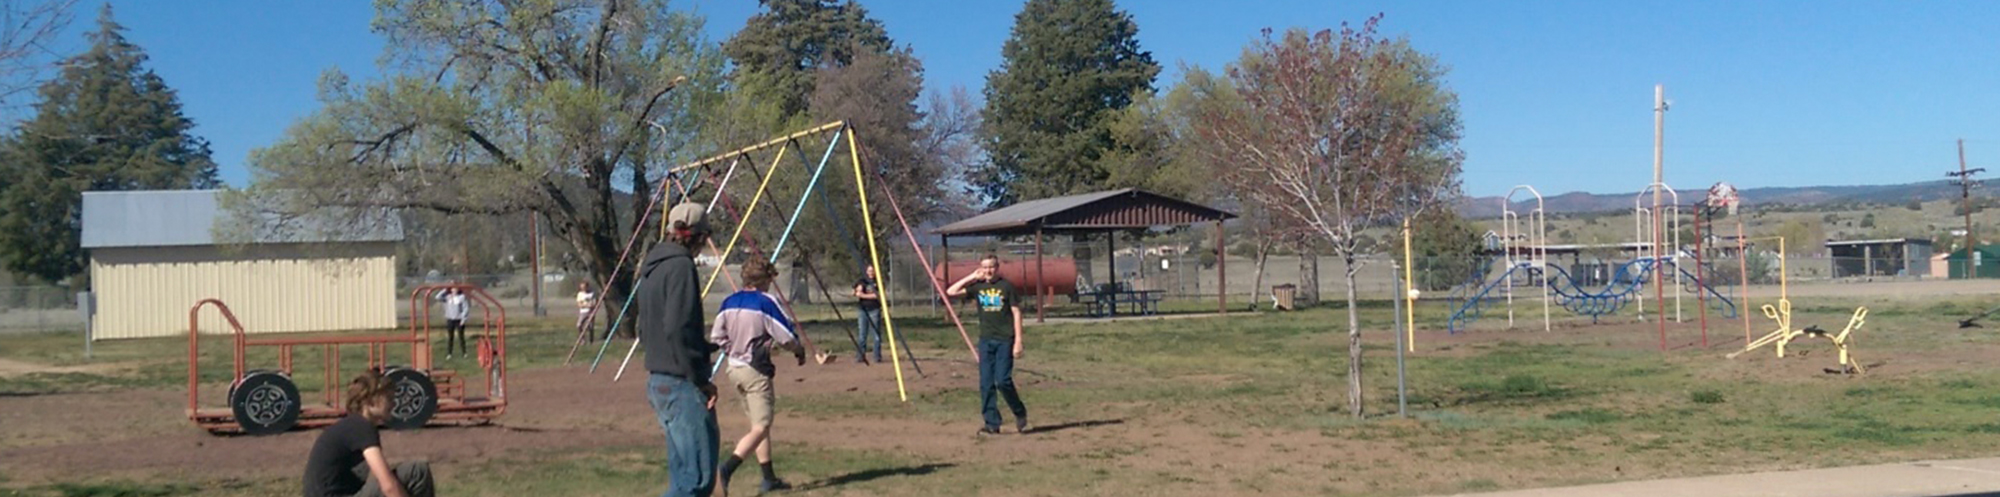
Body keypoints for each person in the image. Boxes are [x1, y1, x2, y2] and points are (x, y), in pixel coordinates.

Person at [636, 202, 721, 497]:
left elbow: (646, 328)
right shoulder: (681, 266)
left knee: (683, 475)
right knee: (696, 481)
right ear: (694, 235)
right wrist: (699, 376)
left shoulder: (652, 268)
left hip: (658, 380)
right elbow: (677, 327)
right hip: (681, 383)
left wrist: (707, 345)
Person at [711, 258, 805, 495]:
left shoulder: (728, 301)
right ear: (764, 280)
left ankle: (769, 477)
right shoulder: (766, 302)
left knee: (758, 424)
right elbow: (785, 335)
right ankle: (726, 470)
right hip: (755, 370)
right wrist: (798, 350)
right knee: (762, 426)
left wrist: (732, 349)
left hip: (734, 368)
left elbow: (717, 336)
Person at [303, 370, 435, 497]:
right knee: (417, 471)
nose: (394, 403)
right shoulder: (362, 427)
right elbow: (388, 486)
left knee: (366, 470)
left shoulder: (352, 425)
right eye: (388, 398)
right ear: (370, 401)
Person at [945, 254, 1030, 435]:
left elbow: (1016, 313)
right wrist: (971, 277)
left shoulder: (1006, 287)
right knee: (986, 383)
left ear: (997, 267)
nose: (988, 270)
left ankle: (1019, 412)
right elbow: (950, 292)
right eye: (984, 267)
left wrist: (1018, 341)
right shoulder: (978, 287)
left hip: (1005, 339)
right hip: (986, 340)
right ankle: (992, 423)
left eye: (991, 267)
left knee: (1003, 380)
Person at [851, 265, 883, 364]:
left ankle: (877, 356)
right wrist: (856, 291)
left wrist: (863, 295)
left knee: (876, 334)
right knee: (862, 334)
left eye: (872, 271)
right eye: (869, 271)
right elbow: (855, 291)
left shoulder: (878, 282)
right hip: (862, 310)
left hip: (874, 309)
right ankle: (860, 356)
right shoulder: (862, 281)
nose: (871, 273)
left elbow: (877, 295)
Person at [440, 288, 469, 361]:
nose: (454, 291)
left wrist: (463, 319)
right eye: (453, 289)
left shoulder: (461, 297)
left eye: (455, 289)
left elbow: (465, 308)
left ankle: (464, 353)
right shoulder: (447, 297)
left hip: (458, 319)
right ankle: (449, 353)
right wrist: (445, 290)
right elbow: (438, 297)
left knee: (461, 337)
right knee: (450, 337)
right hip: (450, 319)